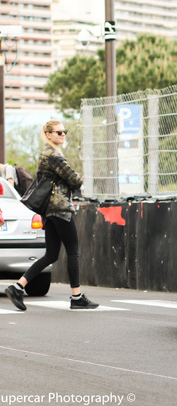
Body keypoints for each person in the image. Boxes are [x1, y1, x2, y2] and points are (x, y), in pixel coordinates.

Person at [4, 120, 98, 311]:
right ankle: (76, 296)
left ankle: (17, 286)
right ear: (48, 134)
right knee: (73, 251)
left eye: (64, 131)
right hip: (60, 208)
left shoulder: (49, 154)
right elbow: (74, 180)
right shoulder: (54, 155)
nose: (63, 134)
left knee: (51, 254)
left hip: (49, 211)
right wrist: (79, 177)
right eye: (58, 132)